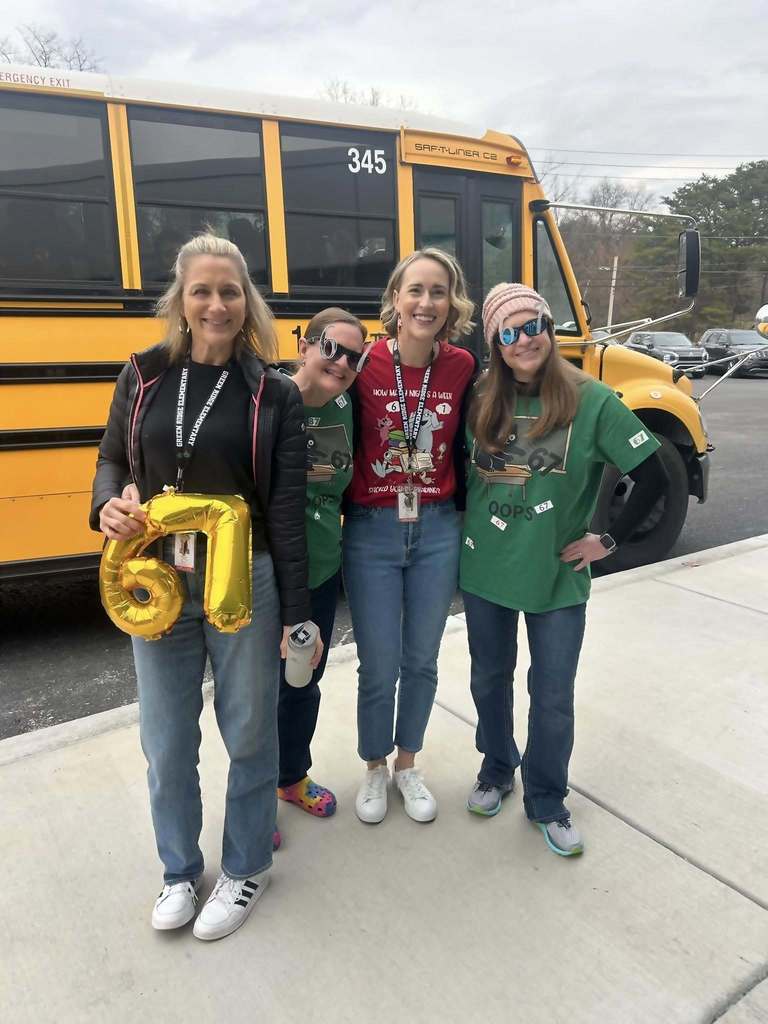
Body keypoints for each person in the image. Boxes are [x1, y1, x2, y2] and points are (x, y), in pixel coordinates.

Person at [90, 232, 321, 940]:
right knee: (164, 739)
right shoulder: (144, 374)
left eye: (229, 291)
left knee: (249, 732)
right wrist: (106, 504)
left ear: (245, 301)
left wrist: (297, 611)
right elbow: (109, 459)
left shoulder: (273, 393)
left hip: (241, 579)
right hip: (156, 573)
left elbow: (283, 508)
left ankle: (246, 866)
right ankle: (179, 872)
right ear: (181, 300)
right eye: (201, 291)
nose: (216, 304)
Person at [460, 283, 669, 856]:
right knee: (488, 679)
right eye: (509, 331)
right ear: (496, 344)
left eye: (534, 325)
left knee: (552, 694)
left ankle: (547, 798)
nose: (524, 339)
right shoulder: (480, 398)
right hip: (486, 571)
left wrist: (607, 540)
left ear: (550, 330)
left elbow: (655, 475)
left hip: (557, 576)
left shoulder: (591, 398)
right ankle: (497, 768)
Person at [343, 248, 477, 825]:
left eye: (439, 292)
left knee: (421, 660)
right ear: (395, 299)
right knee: (379, 663)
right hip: (372, 529)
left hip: (439, 525)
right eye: (416, 290)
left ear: (452, 304)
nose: (426, 302)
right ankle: (374, 766)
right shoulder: (363, 363)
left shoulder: (463, 367)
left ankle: (407, 763)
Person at [275, 308, 369, 840]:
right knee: (259, 691)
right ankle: (253, 794)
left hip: (321, 569)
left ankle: (292, 777)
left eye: (354, 357)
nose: (342, 363)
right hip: (266, 575)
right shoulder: (269, 400)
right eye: (332, 349)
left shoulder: (346, 403)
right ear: (305, 345)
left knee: (302, 680)